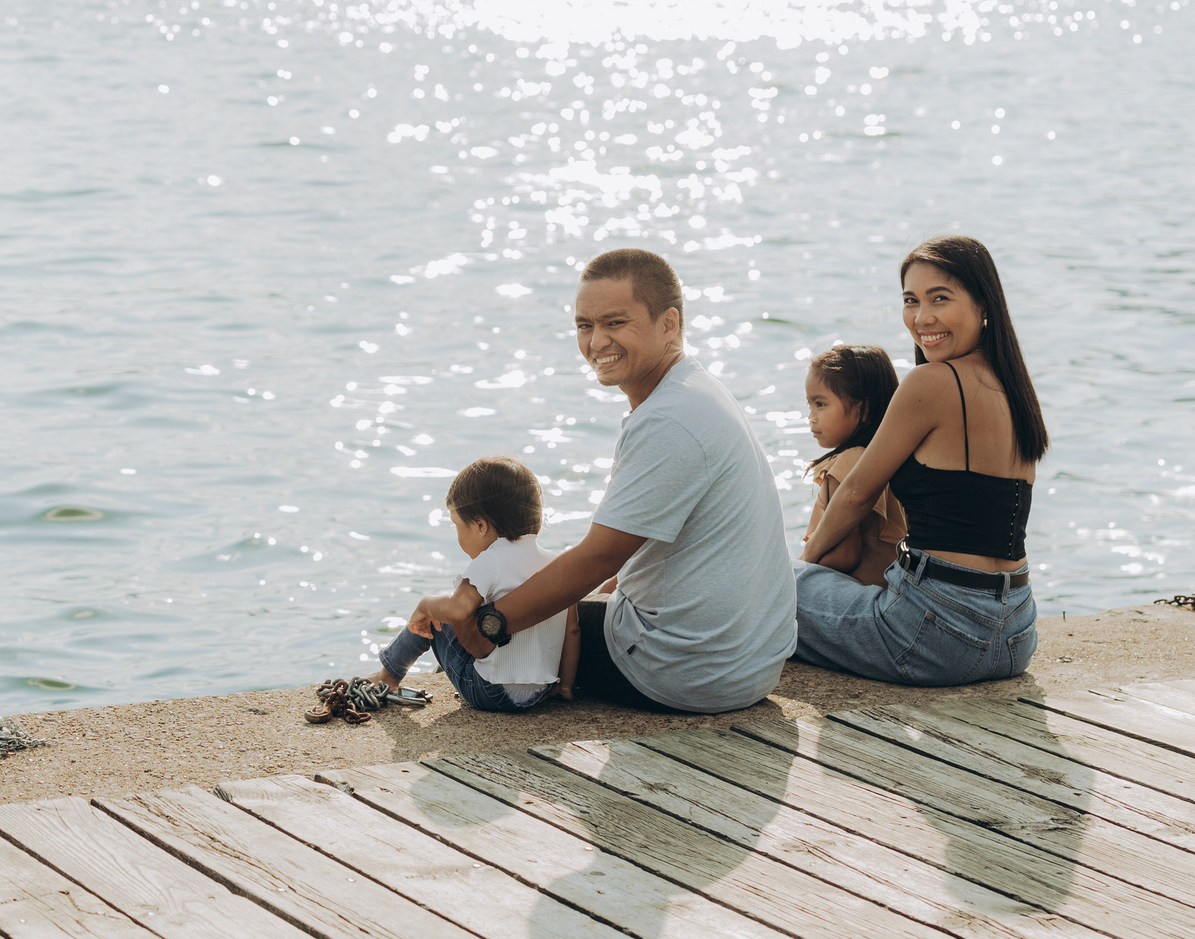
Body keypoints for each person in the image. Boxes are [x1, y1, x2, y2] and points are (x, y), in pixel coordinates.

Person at [440, 247, 795, 714]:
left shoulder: (669, 419)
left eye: (615, 323)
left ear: (669, 323)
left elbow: (599, 555)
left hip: (688, 673)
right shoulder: (695, 390)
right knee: (557, 605)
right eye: (585, 326)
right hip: (751, 664)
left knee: (452, 622)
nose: (596, 342)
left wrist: (491, 625)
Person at [795, 235, 1044, 685]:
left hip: (935, 635)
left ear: (984, 303)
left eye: (940, 298)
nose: (922, 317)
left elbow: (855, 493)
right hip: (1017, 635)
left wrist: (801, 569)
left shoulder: (931, 382)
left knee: (769, 587)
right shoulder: (1016, 388)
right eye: (911, 301)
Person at [357, 457, 571, 713]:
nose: (456, 533)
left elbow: (457, 610)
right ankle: (559, 687)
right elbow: (574, 630)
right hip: (540, 692)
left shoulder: (491, 560)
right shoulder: (555, 564)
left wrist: (424, 605)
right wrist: (564, 686)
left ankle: (388, 676)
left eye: (456, 524)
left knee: (439, 615)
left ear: (480, 526)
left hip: (490, 691)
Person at [802, 344, 907, 585]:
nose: (811, 417)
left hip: (860, 594)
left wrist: (802, 567)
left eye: (821, 404)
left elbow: (845, 555)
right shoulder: (888, 462)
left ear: (864, 409)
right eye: (809, 405)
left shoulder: (849, 461)